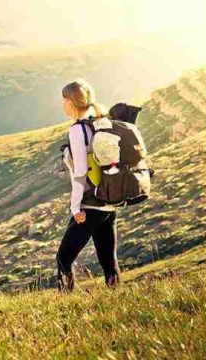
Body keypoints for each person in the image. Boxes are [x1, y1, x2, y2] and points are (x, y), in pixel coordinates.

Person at [56, 79, 121, 292]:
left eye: (64, 99)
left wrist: (75, 208)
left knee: (64, 257)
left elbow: (81, 172)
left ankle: (66, 302)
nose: (62, 104)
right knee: (108, 261)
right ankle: (117, 296)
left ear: (72, 102)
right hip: (108, 202)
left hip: (90, 204)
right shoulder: (101, 123)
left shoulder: (77, 130)